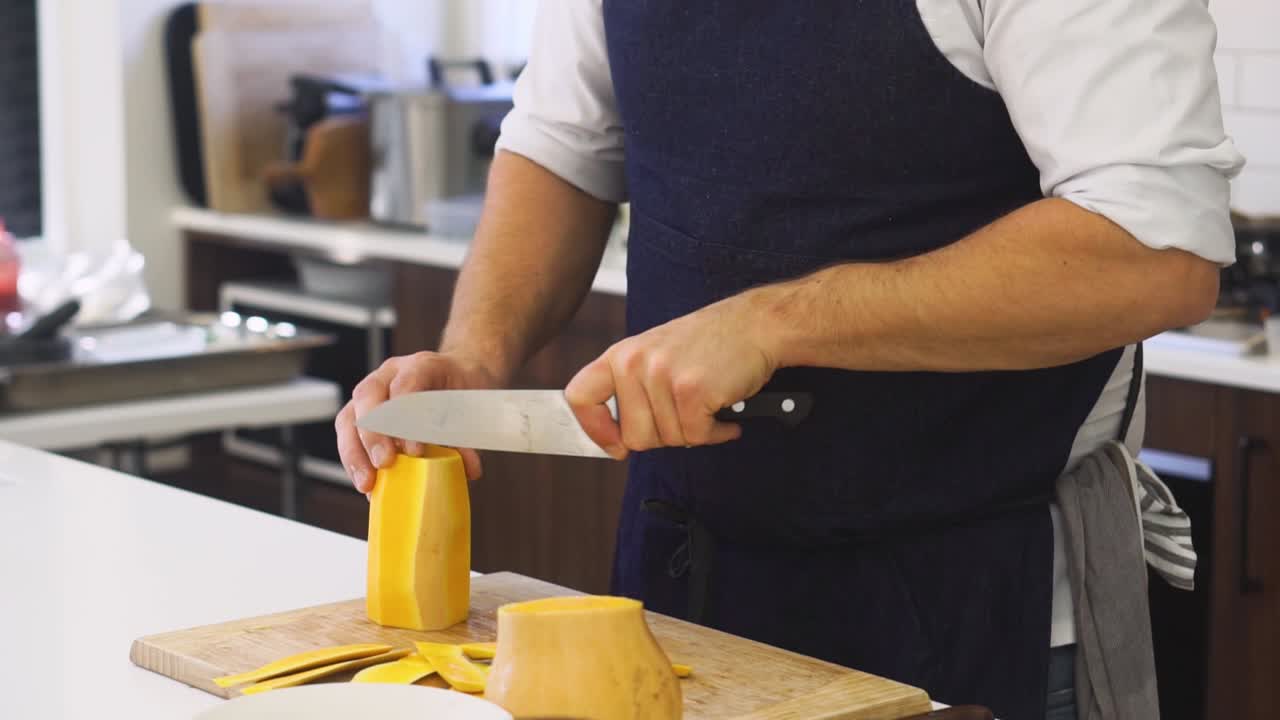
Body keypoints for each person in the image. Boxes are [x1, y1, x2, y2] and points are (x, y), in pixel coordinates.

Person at [337, 1, 1244, 717]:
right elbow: (563, 146)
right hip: (678, 583)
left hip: (976, 604)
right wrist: (474, 356)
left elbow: (1153, 253)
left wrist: (779, 322)